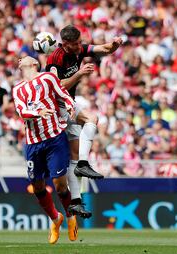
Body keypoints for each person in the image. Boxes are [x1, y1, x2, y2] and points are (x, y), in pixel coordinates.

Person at [46, 25, 122, 217]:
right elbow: (56, 85)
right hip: (57, 105)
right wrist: (79, 74)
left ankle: (76, 201)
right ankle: (83, 163)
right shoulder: (55, 58)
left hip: (68, 104)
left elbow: (103, 49)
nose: (81, 46)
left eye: (81, 42)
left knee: (74, 153)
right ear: (66, 44)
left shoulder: (79, 49)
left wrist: (114, 45)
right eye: (77, 43)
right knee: (92, 118)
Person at [13, 56, 77, 244]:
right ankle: (56, 219)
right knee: (37, 186)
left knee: (59, 184)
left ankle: (71, 217)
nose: (19, 59)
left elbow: (63, 94)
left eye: (23, 58)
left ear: (33, 64)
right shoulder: (18, 89)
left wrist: (71, 106)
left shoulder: (47, 78)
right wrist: (38, 113)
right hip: (33, 143)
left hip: (54, 138)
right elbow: (21, 111)